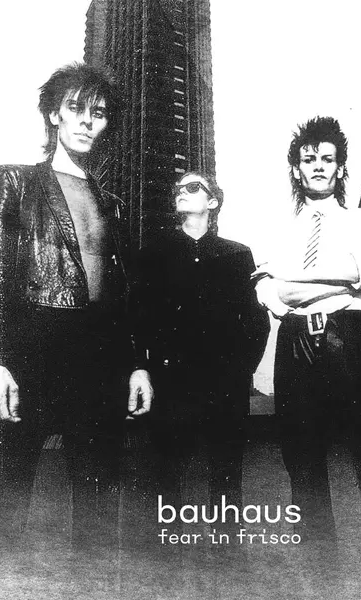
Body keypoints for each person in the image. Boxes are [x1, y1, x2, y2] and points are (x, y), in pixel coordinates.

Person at [0, 63, 153, 553]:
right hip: (32, 349)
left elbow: (123, 294)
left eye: (99, 113)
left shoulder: (112, 203)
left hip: (100, 360)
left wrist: (136, 363)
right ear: (54, 115)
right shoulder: (12, 181)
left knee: (98, 505)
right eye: (75, 108)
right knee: (6, 500)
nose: (87, 121)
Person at [253, 116, 361, 544]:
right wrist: (341, 281)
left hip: (351, 336)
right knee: (300, 452)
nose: (318, 165)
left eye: (327, 158)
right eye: (308, 159)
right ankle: (318, 559)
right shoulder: (279, 228)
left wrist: (293, 279)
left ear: (340, 168)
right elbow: (269, 291)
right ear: (296, 170)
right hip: (295, 340)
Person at [135, 171, 269, 538]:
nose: (181, 192)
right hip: (171, 382)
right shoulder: (154, 253)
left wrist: (241, 369)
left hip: (225, 383)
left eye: (193, 187)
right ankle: (168, 553)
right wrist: (145, 368)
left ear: (212, 202)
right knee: (167, 474)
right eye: (178, 188)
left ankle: (228, 550)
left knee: (227, 472)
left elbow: (256, 321)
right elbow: (139, 317)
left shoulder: (237, 254)